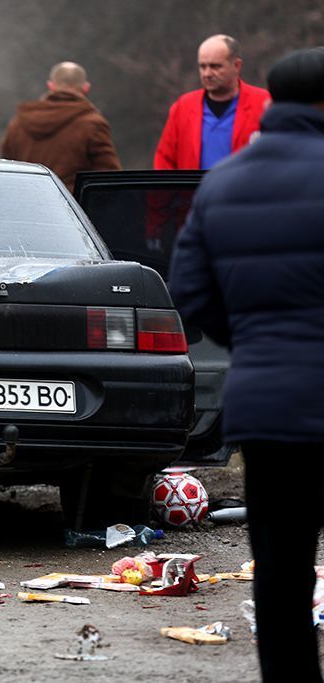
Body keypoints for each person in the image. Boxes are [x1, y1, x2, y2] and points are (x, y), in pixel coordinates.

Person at [168, 47, 324, 682]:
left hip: (267, 407)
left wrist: (257, 342)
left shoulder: (223, 182)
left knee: (280, 572)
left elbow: (190, 294)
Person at [0, 61, 121, 192]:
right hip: (71, 207)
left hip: (26, 203)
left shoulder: (18, 123)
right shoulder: (92, 124)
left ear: (50, 85)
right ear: (86, 88)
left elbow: (7, 167)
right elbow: (109, 176)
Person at [154, 34, 270, 169]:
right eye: (202, 67)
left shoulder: (264, 104)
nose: (207, 74)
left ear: (237, 65)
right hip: (194, 190)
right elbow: (164, 160)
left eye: (215, 67)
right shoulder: (183, 107)